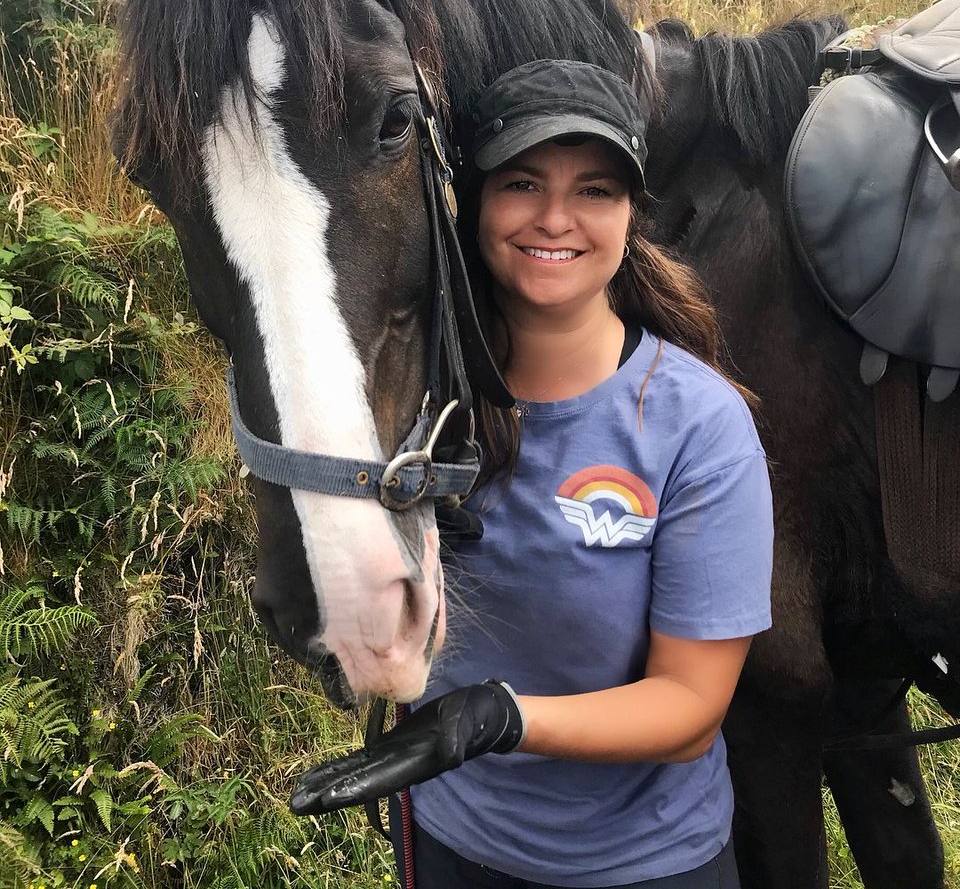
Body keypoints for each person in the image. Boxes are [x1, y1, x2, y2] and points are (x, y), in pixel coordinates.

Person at [293, 59, 774, 889]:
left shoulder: (699, 426)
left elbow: (691, 708)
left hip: (646, 865)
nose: (556, 218)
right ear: (474, 201)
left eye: (595, 190)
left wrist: (498, 717)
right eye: (522, 183)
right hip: (452, 843)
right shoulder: (412, 403)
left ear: (631, 216)